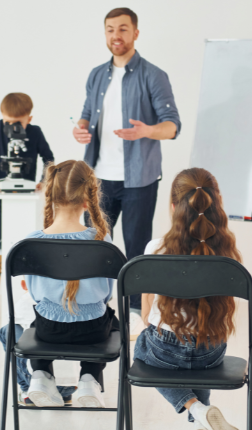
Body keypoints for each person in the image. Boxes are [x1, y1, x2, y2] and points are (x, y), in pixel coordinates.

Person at [72, 7, 181, 339]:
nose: (115, 36)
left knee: (135, 249)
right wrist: (80, 129)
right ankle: (91, 310)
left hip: (139, 178)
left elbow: (173, 126)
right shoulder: (96, 74)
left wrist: (148, 130)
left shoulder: (153, 75)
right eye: (109, 30)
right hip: (99, 177)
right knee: (93, 245)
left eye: (122, 29)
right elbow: (86, 115)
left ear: (135, 33)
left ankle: (135, 313)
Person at [134, 168, 244, 430]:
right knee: (194, 364)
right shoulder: (227, 252)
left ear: (173, 207)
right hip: (211, 352)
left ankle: (198, 410)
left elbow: (147, 317)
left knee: (143, 348)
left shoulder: (155, 248)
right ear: (215, 202)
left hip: (165, 350)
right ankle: (200, 420)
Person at [23, 160, 117, 408]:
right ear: (88, 199)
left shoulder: (32, 242)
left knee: (37, 319)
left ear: (51, 196)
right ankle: (89, 379)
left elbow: (35, 295)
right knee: (112, 319)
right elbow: (107, 294)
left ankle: (41, 375)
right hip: (93, 331)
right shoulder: (101, 239)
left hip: (48, 331)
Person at [0, 92, 55, 246]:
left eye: (18, 123)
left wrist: (44, 181)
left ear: (29, 119)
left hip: (25, 192)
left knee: (21, 238)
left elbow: (48, 158)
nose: (12, 128)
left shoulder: (35, 133)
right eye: (8, 122)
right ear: (2, 118)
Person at [0, 279, 77, 405]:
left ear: (24, 284)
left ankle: (27, 391)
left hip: (39, 381)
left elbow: (12, 319)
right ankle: (65, 395)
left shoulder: (27, 301)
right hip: (72, 381)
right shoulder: (74, 299)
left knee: (7, 330)